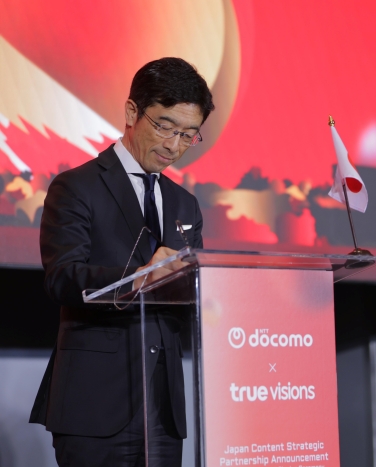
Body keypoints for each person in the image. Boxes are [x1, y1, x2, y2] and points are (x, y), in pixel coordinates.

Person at [29, 57, 214, 466]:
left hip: (162, 409)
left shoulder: (185, 203)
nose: (174, 146)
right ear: (132, 112)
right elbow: (63, 278)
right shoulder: (76, 187)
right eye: (165, 127)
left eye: (188, 135)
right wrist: (140, 277)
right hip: (95, 403)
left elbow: (192, 297)